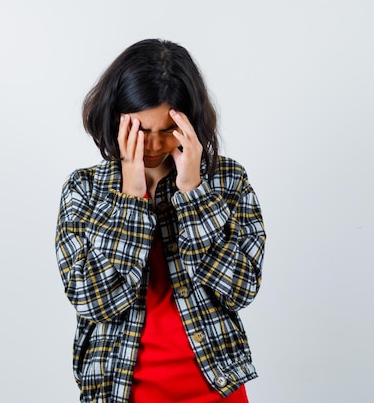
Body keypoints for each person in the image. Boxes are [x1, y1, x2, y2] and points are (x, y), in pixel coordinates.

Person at [54, 39, 266, 403]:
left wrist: (194, 193)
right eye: (140, 130)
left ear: (189, 124)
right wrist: (132, 196)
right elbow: (94, 301)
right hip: (121, 389)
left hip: (214, 388)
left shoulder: (228, 180)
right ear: (116, 119)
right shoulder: (85, 190)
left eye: (166, 130)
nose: (152, 145)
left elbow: (240, 289)